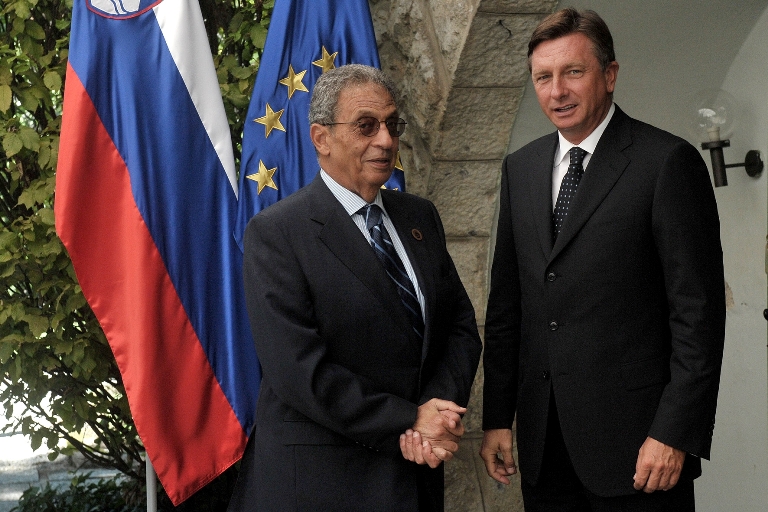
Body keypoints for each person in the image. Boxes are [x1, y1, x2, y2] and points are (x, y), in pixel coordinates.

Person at [479, 8, 726, 512]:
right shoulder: (520, 169)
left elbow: (698, 315)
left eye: (573, 72)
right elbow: (508, 307)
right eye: (542, 77)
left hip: (641, 451)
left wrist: (674, 432)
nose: (557, 91)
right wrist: (498, 418)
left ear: (609, 75)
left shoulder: (666, 163)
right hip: (545, 450)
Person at [227, 64, 482, 512]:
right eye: (366, 126)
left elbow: (459, 326)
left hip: (415, 474)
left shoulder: (420, 217)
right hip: (324, 484)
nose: (385, 140)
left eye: (392, 125)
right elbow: (298, 371)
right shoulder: (277, 233)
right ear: (321, 138)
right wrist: (409, 419)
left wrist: (437, 412)